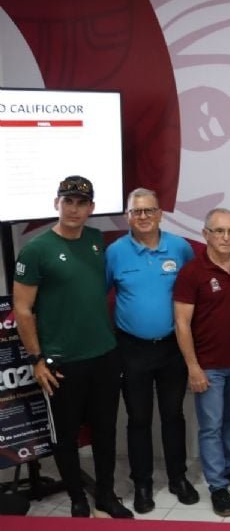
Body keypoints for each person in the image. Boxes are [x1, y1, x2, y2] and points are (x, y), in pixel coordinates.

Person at [13, 175, 133, 518]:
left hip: (104, 355)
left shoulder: (96, 241)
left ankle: (105, 495)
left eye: (81, 203)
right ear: (57, 203)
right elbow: (22, 309)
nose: (74, 209)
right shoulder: (35, 250)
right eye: (68, 201)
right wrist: (37, 359)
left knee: (105, 432)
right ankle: (77, 498)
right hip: (61, 362)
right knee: (65, 436)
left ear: (91, 208)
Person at [105, 187, 199, 514]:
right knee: (138, 419)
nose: (143, 217)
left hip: (172, 348)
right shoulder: (115, 252)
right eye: (136, 211)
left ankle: (178, 478)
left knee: (173, 416)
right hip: (132, 349)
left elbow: (194, 293)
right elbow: (99, 294)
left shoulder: (180, 247)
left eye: (149, 210)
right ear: (128, 216)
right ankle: (142, 483)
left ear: (160, 214)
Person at [173, 208, 230, 518]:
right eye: (219, 231)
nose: (226, 237)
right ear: (205, 234)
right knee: (211, 426)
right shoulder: (192, 272)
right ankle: (218, 486)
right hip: (208, 366)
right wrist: (193, 367)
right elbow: (182, 323)